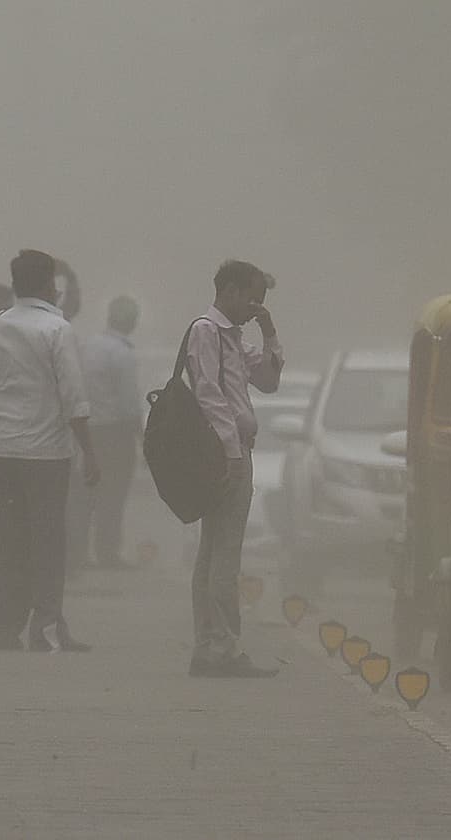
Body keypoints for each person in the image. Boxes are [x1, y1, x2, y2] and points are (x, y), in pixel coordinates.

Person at [0, 249, 99, 652]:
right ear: (46, 284)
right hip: (47, 454)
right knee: (49, 541)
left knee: (8, 539)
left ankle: (4, 625)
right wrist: (89, 450)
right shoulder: (57, 328)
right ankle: (47, 625)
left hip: (3, 449)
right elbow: (73, 395)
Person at [186, 260, 284, 678]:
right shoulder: (206, 333)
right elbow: (209, 395)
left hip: (234, 451)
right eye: (251, 298)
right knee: (223, 555)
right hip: (224, 455)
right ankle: (220, 648)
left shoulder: (233, 338)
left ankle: (211, 644)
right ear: (228, 290)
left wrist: (269, 330)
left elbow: (268, 381)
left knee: (214, 553)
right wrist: (230, 451)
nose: (254, 307)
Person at [68, 296, 143, 569]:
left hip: (86, 430)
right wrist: (142, 438)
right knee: (113, 495)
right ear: (133, 321)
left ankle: (78, 553)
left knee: (84, 494)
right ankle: (107, 552)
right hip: (115, 433)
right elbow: (129, 405)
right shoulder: (123, 354)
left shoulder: (87, 346)